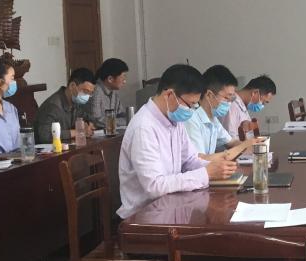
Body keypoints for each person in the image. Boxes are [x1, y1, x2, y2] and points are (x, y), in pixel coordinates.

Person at [117, 64, 236, 220]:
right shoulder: (144, 127)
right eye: (190, 104)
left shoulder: (174, 120)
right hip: (144, 217)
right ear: (169, 95)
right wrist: (206, 173)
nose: (192, 110)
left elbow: (190, 160)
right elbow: (155, 186)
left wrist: (216, 168)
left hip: (171, 205)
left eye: (195, 105)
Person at [185, 65, 265, 160]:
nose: (229, 103)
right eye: (227, 98)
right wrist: (242, 147)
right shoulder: (191, 119)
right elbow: (200, 160)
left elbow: (231, 142)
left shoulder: (213, 119)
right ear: (209, 95)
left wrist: (251, 145)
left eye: (232, 98)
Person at [35, 68, 97, 143]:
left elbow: (87, 118)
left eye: (90, 93)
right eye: (85, 91)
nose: (87, 96)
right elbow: (45, 136)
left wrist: (89, 124)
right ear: (72, 86)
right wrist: (77, 132)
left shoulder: (76, 102)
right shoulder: (53, 106)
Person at [87, 58, 128, 130]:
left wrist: (130, 117)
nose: (124, 81)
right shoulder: (96, 91)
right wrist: (125, 121)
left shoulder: (113, 92)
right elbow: (97, 120)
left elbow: (121, 114)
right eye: (123, 77)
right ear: (110, 79)